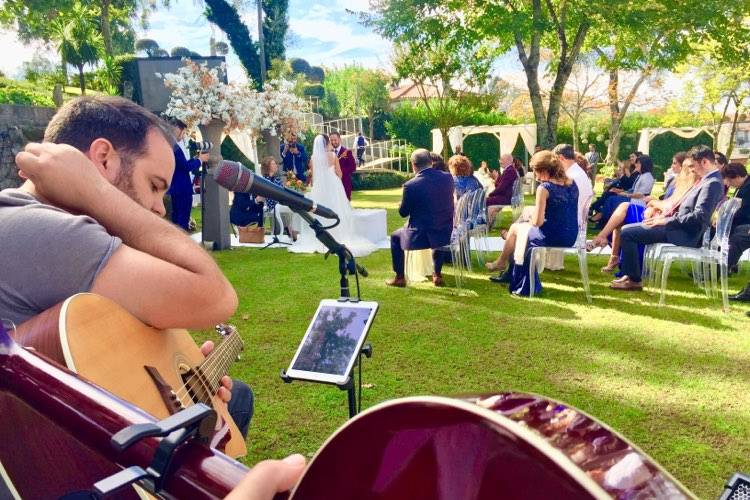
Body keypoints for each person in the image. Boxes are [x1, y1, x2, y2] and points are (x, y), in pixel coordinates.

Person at [1, 95, 255, 439]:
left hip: (71, 429)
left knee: (235, 398)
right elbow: (216, 296)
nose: (159, 208)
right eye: (154, 186)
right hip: (68, 466)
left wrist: (176, 369)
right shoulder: (44, 230)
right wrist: (96, 192)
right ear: (103, 159)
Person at [612, 145, 724, 291]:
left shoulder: (712, 183)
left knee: (628, 232)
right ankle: (630, 276)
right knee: (628, 230)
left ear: (704, 162)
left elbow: (698, 217)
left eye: (693, 166)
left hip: (685, 234)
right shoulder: (707, 180)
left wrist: (665, 220)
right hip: (679, 227)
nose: (692, 170)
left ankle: (633, 279)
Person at [484, 151, 579, 296]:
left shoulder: (545, 188)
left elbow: (538, 222)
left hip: (551, 235)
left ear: (545, 170)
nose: (535, 176)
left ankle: (502, 262)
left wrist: (530, 219)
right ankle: (505, 265)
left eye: (536, 171)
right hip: (571, 234)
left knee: (516, 229)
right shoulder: (572, 184)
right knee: (517, 232)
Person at [589, 156, 699, 274]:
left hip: (663, 220)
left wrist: (653, 203)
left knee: (622, 209)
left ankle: (604, 242)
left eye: (676, 164)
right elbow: (667, 203)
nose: (672, 166)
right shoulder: (678, 184)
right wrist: (654, 204)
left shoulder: (689, 187)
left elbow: (671, 208)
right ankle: (609, 248)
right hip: (657, 213)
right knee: (619, 210)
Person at [289, 134, 376, 258]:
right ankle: (338, 234)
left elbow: (313, 178)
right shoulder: (333, 155)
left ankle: (322, 237)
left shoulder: (313, 158)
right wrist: (334, 178)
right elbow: (339, 174)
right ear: (327, 143)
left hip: (319, 187)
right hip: (333, 186)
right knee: (337, 208)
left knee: (319, 210)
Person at [386, 149, 454, 288]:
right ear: (431, 162)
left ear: (413, 165)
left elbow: (403, 213)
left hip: (419, 236)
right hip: (445, 231)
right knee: (437, 233)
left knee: (395, 236)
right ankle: (437, 274)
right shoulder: (447, 177)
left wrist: (401, 204)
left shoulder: (410, 185)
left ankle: (399, 277)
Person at [167, 117, 207, 231]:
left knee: (176, 217)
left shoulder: (171, 145)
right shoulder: (174, 147)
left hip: (175, 187)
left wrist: (195, 158)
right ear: (176, 129)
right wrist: (200, 160)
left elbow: (182, 164)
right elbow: (185, 167)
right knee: (182, 217)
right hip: (182, 188)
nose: (183, 136)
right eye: (183, 132)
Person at [593, 154, 655, 228]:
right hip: (632, 198)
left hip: (637, 201)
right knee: (611, 197)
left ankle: (602, 219)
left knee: (611, 200)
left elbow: (641, 195)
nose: (636, 165)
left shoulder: (647, 177)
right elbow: (632, 189)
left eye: (638, 163)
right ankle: (603, 220)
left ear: (644, 164)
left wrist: (625, 194)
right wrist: (621, 192)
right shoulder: (641, 175)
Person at [721, 163, 750, 283]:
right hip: (742, 221)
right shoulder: (743, 186)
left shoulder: (748, 188)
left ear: (736, 176)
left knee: (736, 237)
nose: (729, 184)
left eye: (729, 180)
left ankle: (721, 268)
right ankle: (713, 267)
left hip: (744, 222)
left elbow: (744, 211)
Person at [553, 144, 593, 228]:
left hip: (569, 226)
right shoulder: (579, 172)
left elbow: (561, 206)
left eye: (555, 161)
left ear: (561, 158)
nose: (554, 164)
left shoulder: (571, 177)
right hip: (578, 223)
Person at [486, 154, 519, 228]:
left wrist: (491, 194)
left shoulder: (509, 171)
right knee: (487, 201)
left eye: (502, 159)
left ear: (508, 160)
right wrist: (497, 177)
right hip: (506, 196)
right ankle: (489, 224)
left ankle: (486, 225)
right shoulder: (509, 170)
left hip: (506, 198)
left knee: (484, 201)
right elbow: (499, 185)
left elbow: (501, 188)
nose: (500, 161)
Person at [330, 131, 357, 200]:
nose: (333, 142)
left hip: (344, 183)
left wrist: (339, 171)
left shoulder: (347, 152)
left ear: (339, 139)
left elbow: (353, 167)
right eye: (331, 140)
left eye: (335, 140)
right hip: (332, 185)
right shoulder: (329, 153)